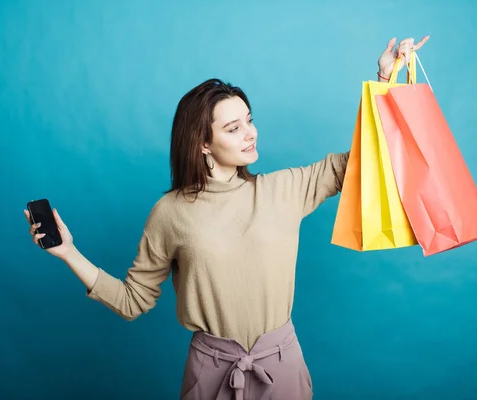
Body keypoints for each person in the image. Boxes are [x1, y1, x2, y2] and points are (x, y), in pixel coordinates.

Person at [24, 36, 429, 399]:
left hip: (282, 369)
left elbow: (364, 158)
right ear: (202, 143)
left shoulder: (283, 189)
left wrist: (385, 79)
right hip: (211, 374)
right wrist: (69, 253)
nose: (250, 133)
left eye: (249, 120)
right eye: (233, 128)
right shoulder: (170, 213)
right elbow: (134, 301)